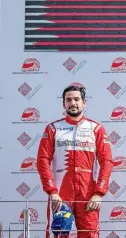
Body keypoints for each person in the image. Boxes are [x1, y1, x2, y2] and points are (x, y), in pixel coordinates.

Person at [37, 85, 113, 238]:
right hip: (61, 193)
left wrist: (98, 193)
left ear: (84, 102)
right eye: (69, 100)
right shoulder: (53, 128)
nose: (73, 103)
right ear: (63, 104)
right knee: (60, 233)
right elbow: (42, 160)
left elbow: (107, 162)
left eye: (77, 99)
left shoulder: (96, 128)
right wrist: (52, 191)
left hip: (88, 194)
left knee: (90, 235)